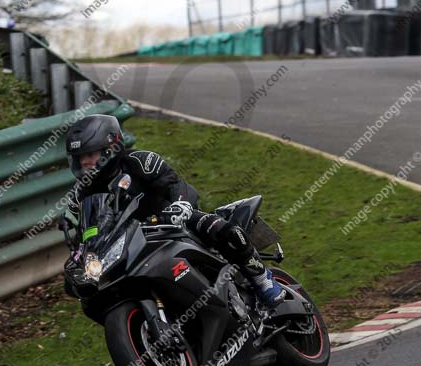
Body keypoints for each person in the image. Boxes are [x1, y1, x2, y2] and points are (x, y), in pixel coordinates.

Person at [60, 114, 285, 307]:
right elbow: (91, 233)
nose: (86, 163)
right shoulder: (83, 194)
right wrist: (80, 257)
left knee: (217, 227)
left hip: (173, 221)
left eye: (91, 155)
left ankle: (262, 278)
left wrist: (180, 205)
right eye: (81, 158)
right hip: (135, 244)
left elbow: (176, 184)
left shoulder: (139, 161)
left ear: (111, 147)